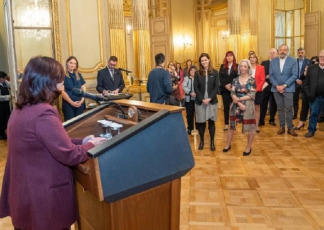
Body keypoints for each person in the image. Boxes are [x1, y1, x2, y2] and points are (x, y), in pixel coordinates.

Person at [0, 56, 106, 230]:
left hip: (25, 196)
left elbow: (48, 141)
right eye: (60, 79)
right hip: (44, 202)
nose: (62, 83)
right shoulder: (44, 112)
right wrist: (92, 145)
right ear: (48, 82)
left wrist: (84, 140)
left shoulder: (21, 109)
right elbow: (70, 155)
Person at [223, 59, 256, 156]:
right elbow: (232, 92)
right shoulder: (235, 80)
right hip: (236, 105)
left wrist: (239, 100)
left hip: (248, 106)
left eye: (245, 66)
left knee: (250, 127)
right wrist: (237, 101)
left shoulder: (252, 80)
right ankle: (227, 144)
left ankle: (248, 147)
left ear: (248, 68)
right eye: (241, 66)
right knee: (231, 126)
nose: (243, 68)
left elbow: (252, 94)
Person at [270, 44, 298, 136]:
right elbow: (271, 76)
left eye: (284, 50)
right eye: (281, 50)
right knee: (280, 108)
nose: (282, 51)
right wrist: (277, 86)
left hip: (288, 89)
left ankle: (290, 128)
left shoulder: (293, 60)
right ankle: (281, 127)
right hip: (276, 89)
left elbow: (294, 75)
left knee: (289, 109)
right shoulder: (273, 61)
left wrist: (284, 86)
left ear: (287, 51)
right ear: (278, 51)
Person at [194, 53, 220, 151]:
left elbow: (216, 87)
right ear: (200, 62)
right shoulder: (197, 73)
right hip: (200, 102)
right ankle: (202, 141)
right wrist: (202, 99)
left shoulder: (215, 72)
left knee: (211, 122)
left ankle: (212, 142)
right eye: (202, 60)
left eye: (205, 60)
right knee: (201, 123)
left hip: (211, 101)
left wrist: (209, 98)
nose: (204, 62)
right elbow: (195, 87)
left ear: (209, 60)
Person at [303, 49, 324, 138]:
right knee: (313, 114)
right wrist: (308, 94)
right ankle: (311, 130)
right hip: (314, 97)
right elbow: (305, 83)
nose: (322, 58)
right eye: (321, 57)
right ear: (318, 57)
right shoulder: (311, 68)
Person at [61, 56, 86, 121]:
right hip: (68, 104)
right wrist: (72, 102)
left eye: (74, 64)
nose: (72, 65)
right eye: (71, 63)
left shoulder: (78, 74)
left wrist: (82, 99)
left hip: (80, 103)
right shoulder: (62, 75)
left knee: (79, 124)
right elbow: (62, 92)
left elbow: (83, 87)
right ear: (67, 64)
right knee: (71, 124)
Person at [219, 51, 238, 131]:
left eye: (231, 56)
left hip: (234, 90)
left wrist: (232, 86)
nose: (229, 57)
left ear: (233, 57)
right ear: (226, 57)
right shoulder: (222, 66)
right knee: (226, 107)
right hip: (225, 90)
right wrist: (226, 85)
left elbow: (238, 77)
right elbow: (220, 77)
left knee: (234, 107)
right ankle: (226, 124)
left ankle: (233, 123)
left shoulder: (237, 66)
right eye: (227, 56)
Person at [260, 48, 278, 126]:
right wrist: (265, 76)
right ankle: (261, 120)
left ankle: (272, 119)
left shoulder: (279, 63)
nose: (272, 54)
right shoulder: (264, 63)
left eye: (274, 53)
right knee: (263, 104)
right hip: (266, 86)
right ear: (268, 54)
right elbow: (260, 74)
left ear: (277, 54)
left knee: (274, 104)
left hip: (275, 86)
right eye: (270, 53)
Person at [248, 51, 265, 133]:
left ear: (256, 58)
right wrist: (249, 88)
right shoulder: (246, 68)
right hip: (248, 91)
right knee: (249, 108)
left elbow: (262, 80)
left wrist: (256, 89)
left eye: (254, 57)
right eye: (250, 57)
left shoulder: (261, 67)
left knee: (257, 108)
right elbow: (244, 79)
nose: (252, 59)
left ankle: (256, 125)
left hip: (258, 91)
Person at [293, 48, 309, 119]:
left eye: (302, 52)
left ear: (304, 53)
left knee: (304, 100)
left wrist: (302, 80)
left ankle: (303, 115)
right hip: (295, 83)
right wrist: (297, 79)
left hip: (304, 83)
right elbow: (292, 72)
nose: (300, 54)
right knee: (295, 99)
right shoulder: (294, 61)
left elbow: (309, 73)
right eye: (299, 52)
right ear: (297, 53)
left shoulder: (308, 61)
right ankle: (295, 114)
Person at [182, 66, 197, 135]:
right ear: (189, 71)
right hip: (189, 100)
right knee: (189, 115)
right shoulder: (186, 78)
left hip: (197, 100)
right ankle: (190, 128)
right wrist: (190, 92)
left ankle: (198, 128)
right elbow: (184, 86)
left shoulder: (199, 78)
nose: (193, 71)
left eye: (194, 70)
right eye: (191, 70)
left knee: (198, 115)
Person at [0, 71, 11, 140]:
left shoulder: (4, 83)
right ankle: (1, 133)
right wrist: (9, 96)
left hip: (6, 103)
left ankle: (4, 131)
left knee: (7, 117)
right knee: (1, 118)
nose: (5, 79)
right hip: (1, 104)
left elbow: (10, 84)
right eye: (4, 78)